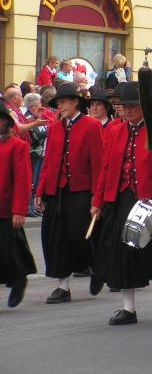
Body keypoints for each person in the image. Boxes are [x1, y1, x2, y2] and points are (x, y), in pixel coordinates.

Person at [91, 82, 152, 325]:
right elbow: (105, 168)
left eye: (133, 106)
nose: (129, 110)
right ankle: (128, 309)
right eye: (125, 106)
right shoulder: (114, 131)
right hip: (122, 197)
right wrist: (98, 201)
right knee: (123, 251)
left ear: (144, 107)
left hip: (150, 198)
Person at [34, 83, 105, 304]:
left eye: (63, 102)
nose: (60, 106)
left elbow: (99, 163)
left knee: (79, 234)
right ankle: (62, 287)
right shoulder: (55, 128)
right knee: (54, 237)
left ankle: (96, 266)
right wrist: (40, 190)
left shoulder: (91, 126)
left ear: (75, 102)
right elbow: (48, 162)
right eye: (58, 103)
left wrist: (97, 197)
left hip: (81, 190)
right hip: (57, 189)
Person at [0, 99, 36, 308]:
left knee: (10, 252)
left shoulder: (17, 146)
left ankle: (19, 279)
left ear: (6, 122)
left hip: (7, 207)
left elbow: (22, 180)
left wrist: (19, 210)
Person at [23, 93, 48, 217]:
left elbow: (45, 130)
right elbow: (35, 135)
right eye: (39, 105)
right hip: (32, 153)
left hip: (39, 153)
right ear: (32, 107)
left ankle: (33, 206)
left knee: (36, 182)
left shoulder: (37, 117)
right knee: (31, 181)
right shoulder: (28, 118)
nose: (41, 108)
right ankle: (28, 207)